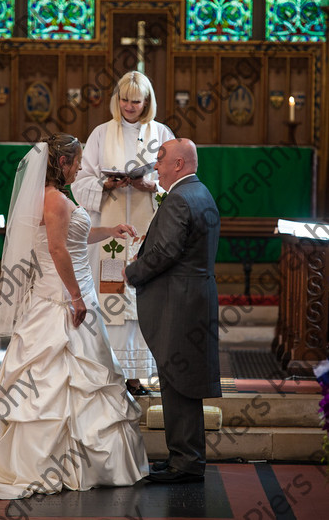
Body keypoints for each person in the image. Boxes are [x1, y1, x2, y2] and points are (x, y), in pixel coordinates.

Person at [0, 134, 149, 500]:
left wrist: (109, 232)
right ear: (63, 162)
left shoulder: (59, 198)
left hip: (74, 291)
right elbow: (56, 249)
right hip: (61, 298)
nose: (81, 168)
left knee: (80, 375)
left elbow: (75, 237)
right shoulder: (53, 200)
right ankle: (50, 463)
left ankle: (72, 461)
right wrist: (74, 297)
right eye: (77, 161)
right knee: (61, 376)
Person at [124, 138, 221, 483]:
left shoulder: (180, 198)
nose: (156, 167)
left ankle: (186, 463)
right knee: (180, 382)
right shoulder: (200, 192)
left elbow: (164, 252)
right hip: (192, 300)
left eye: (161, 160)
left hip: (180, 304)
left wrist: (131, 272)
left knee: (179, 382)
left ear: (178, 164)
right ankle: (185, 457)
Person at [72, 71, 174, 396]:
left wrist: (150, 185)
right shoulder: (101, 134)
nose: (130, 106)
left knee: (139, 303)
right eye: (124, 100)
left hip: (146, 235)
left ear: (147, 102)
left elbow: (174, 182)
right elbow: (79, 179)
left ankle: (135, 376)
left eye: (136, 101)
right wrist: (105, 184)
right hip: (111, 239)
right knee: (111, 300)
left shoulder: (160, 134)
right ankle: (110, 373)